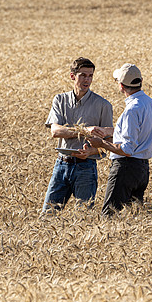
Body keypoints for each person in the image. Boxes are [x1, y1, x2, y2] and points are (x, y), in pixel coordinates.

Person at [42, 57, 113, 214]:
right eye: (83, 75)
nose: (87, 80)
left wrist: (90, 152)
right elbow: (55, 131)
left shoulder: (103, 105)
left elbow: (109, 142)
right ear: (72, 76)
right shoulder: (60, 100)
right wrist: (85, 131)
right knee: (47, 217)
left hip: (86, 167)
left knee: (84, 218)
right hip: (61, 165)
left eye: (90, 76)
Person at [86, 63, 152, 216]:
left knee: (109, 216)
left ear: (120, 86)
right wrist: (108, 131)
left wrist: (102, 144)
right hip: (143, 170)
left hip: (125, 169)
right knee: (133, 217)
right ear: (140, 81)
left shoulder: (132, 110)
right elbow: (137, 132)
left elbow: (127, 149)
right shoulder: (150, 103)